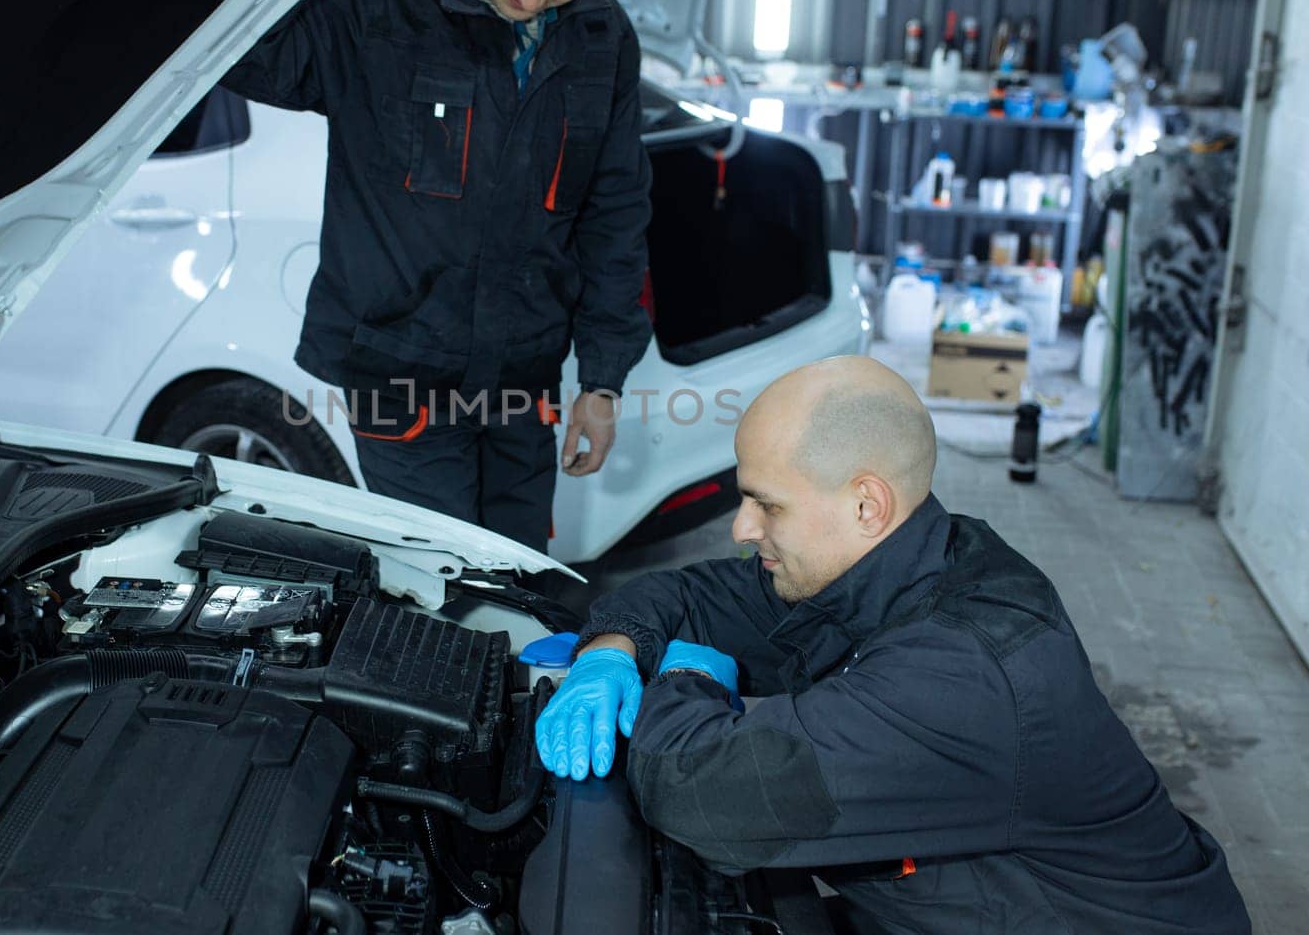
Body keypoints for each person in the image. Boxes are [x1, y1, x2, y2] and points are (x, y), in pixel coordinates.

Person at [535, 356, 1250, 933]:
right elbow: (686, 596)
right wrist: (610, 650)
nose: (743, 529)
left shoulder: (964, 668)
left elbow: (705, 796)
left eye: (767, 503)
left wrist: (685, 673)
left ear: (865, 504)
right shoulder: (884, 559)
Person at [222, 0, 652, 553]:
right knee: (438, 592)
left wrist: (602, 383)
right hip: (399, 379)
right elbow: (241, 42)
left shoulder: (602, 37)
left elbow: (614, 217)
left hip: (521, 386)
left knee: (519, 580)